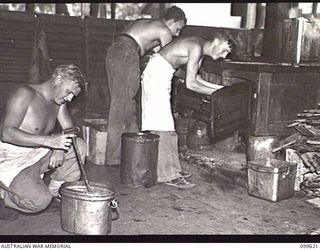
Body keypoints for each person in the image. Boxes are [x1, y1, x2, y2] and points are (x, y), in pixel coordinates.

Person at [141, 34, 231, 188]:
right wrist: (217, 94)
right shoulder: (196, 47)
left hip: (162, 73)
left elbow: (197, 79)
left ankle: (171, 169)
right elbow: (190, 84)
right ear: (216, 41)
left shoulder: (200, 48)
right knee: (162, 124)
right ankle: (167, 174)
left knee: (166, 124)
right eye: (224, 51)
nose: (223, 56)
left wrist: (222, 90)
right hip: (157, 74)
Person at [0, 64, 87, 220]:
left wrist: (59, 149)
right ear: (58, 78)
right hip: (9, 159)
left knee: (78, 145)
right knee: (38, 201)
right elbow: (7, 133)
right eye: (69, 92)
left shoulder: (59, 102)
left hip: (36, 153)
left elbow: (70, 129)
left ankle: (54, 191)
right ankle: (4, 195)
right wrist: (49, 141)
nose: (70, 98)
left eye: (73, 95)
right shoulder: (24, 93)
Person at [105, 6, 187, 166]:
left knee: (123, 106)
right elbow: (170, 58)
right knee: (122, 107)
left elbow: (157, 52)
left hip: (114, 51)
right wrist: (187, 74)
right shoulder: (164, 30)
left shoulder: (148, 24)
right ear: (171, 21)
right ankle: (116, 158)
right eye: (178, 29)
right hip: (127, 53)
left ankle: (127, 153)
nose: (177, 34)